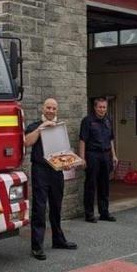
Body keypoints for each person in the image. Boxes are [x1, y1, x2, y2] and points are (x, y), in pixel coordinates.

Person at [24, 98, 78, 260]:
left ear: (57, 110)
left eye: (54, 108)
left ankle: (58, 239)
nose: (51, 111)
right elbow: (27, 142)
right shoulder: (35, 126)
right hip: (40, 170)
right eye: (48, 107)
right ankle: (37, 246)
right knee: (39, 208)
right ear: (43, 108)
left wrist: (68, 163)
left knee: (56, 206)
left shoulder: (60, 127)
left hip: (56, 170)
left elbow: (63, 150)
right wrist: (41, 128)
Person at [79, 97, 118, 223]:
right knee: (91, 185)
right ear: (95, 107)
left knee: (105, 185)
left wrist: (114, 155)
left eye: (104, 107)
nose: (102, 109)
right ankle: (89, 214)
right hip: (92, 155)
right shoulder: (87, 121)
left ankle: (104, 212)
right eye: (100, 107)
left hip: (106, 155)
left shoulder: (108, 121)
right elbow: (82, 140)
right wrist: (82, 158)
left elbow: (111, 139)